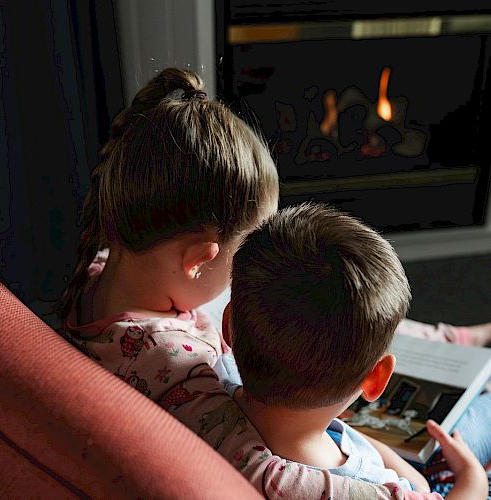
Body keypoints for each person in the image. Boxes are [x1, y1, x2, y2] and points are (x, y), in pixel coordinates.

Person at [58, 67, 487, 499]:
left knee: (335, 301)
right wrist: (468, 484)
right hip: (341, 436)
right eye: (247, 248)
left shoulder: (103, 271)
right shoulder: (181, 372)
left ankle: (452, 338)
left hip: (314, 400)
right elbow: (266, 470)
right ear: (198, 260)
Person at [220, 202, 489, 499]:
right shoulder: (364, 490)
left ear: (229, 326)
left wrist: (408, 476)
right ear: (377, 380)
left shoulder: (211, 383)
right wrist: (472, 478)